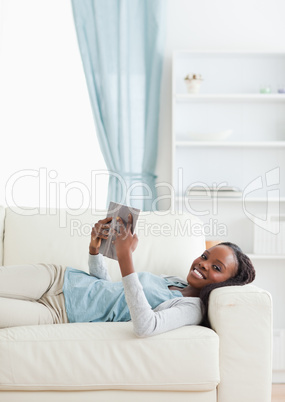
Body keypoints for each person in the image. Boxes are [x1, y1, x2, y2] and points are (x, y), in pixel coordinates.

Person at [0, 214, 255, 336]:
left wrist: (126, 258)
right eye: (205, 256)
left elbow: (146, 326)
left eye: (217, 267)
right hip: (58, 277)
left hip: (59, 313)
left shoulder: (191, 307)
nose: (203, 264)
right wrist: (94, 249)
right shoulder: (174, 280)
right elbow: (107, 289)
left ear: (228, 284)